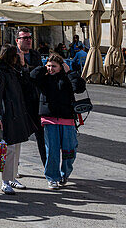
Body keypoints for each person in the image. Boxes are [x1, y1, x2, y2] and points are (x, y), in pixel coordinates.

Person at [30, 54, 86, 188]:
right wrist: (43, 68)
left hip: (67, 118)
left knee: (70, 150)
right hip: (49, 119)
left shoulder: (67, 78)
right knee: (52, 150)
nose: (51, 69)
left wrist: (70, 72)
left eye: (54, 66)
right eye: (49, 66)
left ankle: (65, 173)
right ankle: (52, 177)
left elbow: (79, 87)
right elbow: (31, 77)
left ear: (61, 67)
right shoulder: (43, 78)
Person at [0, 45, 34, 194]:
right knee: (8, 150)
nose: (18, 57)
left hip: (17, 113)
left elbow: (26, 82)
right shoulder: (0, 72)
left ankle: (12, 177)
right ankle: (5, 181)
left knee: (16, 148)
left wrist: (23, 65)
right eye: (16, 55)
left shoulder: (12, 70)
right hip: (7, 115)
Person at [15, 29, 46, 163]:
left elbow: (39, 73)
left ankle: (47, 168)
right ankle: (13, 169)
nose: (28, 40)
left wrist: (24, 68)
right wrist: (25, 68)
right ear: (17, 40)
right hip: (19, 102)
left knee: (41, 135)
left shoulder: (35, 54)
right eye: (24, 38)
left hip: (35, 100)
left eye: (30, 37)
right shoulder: (13, 55)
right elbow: (17, 76)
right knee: (16, 138)